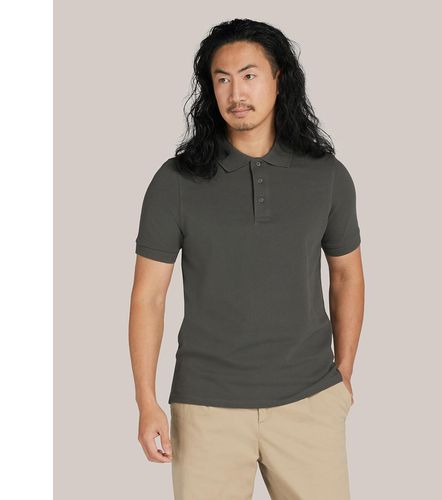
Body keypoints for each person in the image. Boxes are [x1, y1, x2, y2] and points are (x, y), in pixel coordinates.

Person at [129, 18, 365, 500]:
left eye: (249, 75)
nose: (236, 92)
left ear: (279, 79)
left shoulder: (327, 175)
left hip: (309, 402)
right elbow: (148, 298)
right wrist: (146, 402)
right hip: (206, 408)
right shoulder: (175, 181)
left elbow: (346, 277)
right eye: (222, 79)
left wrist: (343, 375)